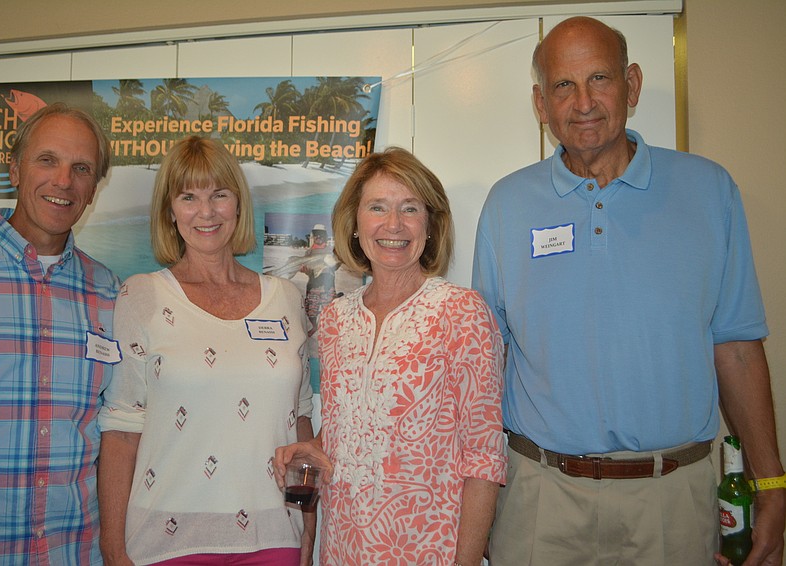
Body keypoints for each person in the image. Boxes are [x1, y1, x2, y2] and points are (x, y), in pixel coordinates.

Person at [472, 16, 785, 566]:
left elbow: (737, 349)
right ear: (541, 104)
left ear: (632, 84)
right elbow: (483, 362)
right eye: (563, 85)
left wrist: (771, 484)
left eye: (600, 78)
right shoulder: (506, 205)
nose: (583, 102)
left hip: (673, 500)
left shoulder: (709, 191)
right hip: (540, 499)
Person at [275, 146, 505, 566]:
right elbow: (349, 426)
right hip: (344, 547)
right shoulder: (335, 319)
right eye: (377, 207)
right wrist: (312, 449)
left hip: (428, 551)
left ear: (430, 225)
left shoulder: (461, 313)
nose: (393, 224)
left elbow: (484, 459)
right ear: (355, 223)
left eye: (410, 208)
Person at [97, 136, 315, 566]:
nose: (206, 211)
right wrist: (113, 547)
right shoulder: (142, 296)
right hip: (165, 539)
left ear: (238, 204)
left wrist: (308, 523)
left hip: (273, 534)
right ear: (170, 211)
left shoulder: (286, 298)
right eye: (188, 197)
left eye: (219, 194)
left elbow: (302, 419)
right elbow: (121, 431)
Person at [0, 103, 119, 564]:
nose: (64, 181)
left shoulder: (110, 292)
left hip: (74, 553)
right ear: (14, 169)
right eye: (47, 160)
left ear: (93, 190)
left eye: (81, 168)